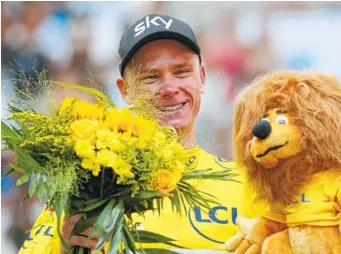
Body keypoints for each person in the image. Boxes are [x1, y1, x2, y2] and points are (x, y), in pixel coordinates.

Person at [19, 14, 257, 254]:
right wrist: (62, 245)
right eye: (151, 77)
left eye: (182, 71)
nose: (170, 88)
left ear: (202, 77)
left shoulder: (249, 186)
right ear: (124, 90)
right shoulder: (89, 187)